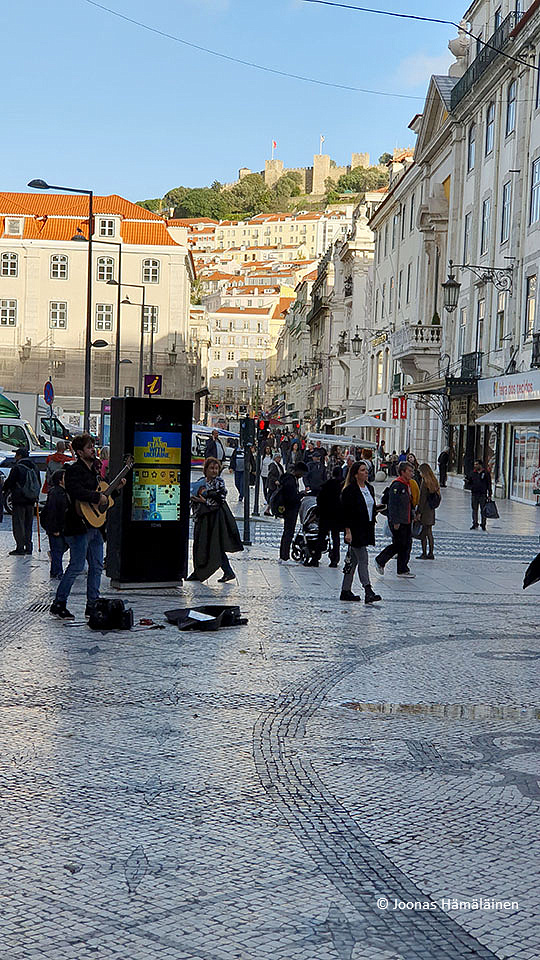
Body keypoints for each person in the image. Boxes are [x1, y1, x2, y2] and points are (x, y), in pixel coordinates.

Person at [49, 433, 126, 620]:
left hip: (95, 526)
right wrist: (95, 497)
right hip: (78, 526)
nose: (93, 449)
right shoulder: (74, 470)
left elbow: (102, 501)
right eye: (89, 447)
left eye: (93, 446)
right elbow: (76, 491)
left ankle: (92, 604)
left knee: (97, 566)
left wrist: (114, 491)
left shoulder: (94, 471)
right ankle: (59, 603)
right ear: (79, 452)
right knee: (76, 565)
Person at [189, 457, 243, 582]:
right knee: (201, 544)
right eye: (211, 468)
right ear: (206, 469)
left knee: (215, 545)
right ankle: (199, 571)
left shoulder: (219, 482)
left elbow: (220, 498)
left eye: (216, 468)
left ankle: (227, 571)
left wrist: (205, 499)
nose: (214, 471)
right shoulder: (201, 482)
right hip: (202, 518)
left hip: (215, 518)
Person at [340, 461, 382, 603]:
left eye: (366, 470)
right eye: (363, 470)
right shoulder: (349, 491)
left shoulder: (369, 488)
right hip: (354, 529)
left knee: (353, 560)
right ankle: (368, 590)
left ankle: (345, 590)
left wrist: (377, 509)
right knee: (363, 559)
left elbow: (369, 506)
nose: (366, 472)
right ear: (356, 474)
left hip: (366, 528)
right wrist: (347, 531)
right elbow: (345, 513)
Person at [374, 461, 416, 578]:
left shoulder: (407, 484)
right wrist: (395, 521)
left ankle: (402, 569)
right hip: (399, 521)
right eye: (410, 471)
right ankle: (380, 560)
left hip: (406, 519)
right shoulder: (397, 485)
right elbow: (393, 505)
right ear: (403, 472)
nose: (412, 473)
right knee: (399, 544)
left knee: (406, 544)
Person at [3, 447, 40, 556]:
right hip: (31, 500)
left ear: (19, 456)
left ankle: (20, 547)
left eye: (16, 455)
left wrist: (4, 489)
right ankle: (28, 546)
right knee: (28, 523)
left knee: (19, 524)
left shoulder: (17, 468)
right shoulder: (34, 467)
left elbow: (10, 482)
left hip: (19, 500)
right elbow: (37, 482)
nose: (15, 457)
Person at [278, 461, 308, 563]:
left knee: (287, 532)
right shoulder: (291, 481)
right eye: (302, 473)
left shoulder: (290, 479)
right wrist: (301, 494)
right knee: (288, 533)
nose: (302, 476)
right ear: (298, 471)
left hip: (289, 509)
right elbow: (292, 498)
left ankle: (283, 555)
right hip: (290, 509)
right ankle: (284, 557)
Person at [41, 469, 68, 578]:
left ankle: (55, 571)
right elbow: (52, 511)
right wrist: (54, 529)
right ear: (60, 480)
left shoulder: (62, 491)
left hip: (60, 527)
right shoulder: (56, 492)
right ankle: (57, 572)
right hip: (55, 527)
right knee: (57, 550)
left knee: (59, 549)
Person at [317, 465, 344, 567]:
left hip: (326, 515)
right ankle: (335, 559)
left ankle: (316, 557)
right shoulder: (343, 486)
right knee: (336, 537)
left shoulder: (327, 485)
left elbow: (320, 499)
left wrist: (320, 510)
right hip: (337, 516)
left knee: (321, 536)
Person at [416, 462, 441, 560]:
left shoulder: (424, 482)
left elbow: (422, 499)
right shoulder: (434, 481)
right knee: (429, 532)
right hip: (431, 510)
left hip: (425, 510)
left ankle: (424, 553)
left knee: (424, 533)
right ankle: (431, 552)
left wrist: (419, 512)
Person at [468, 460, 492, 531]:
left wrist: (489, 494)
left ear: (480, 465)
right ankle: (475, 523)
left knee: (483, 510)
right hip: (474, 493)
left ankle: (483, 524)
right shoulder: (473, 473)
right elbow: (470, 482)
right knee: (474, 509)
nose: (475, 466)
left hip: (482, 494)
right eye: (475, 464)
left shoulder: (486, 473)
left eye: (476, 464)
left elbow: (489, 484)